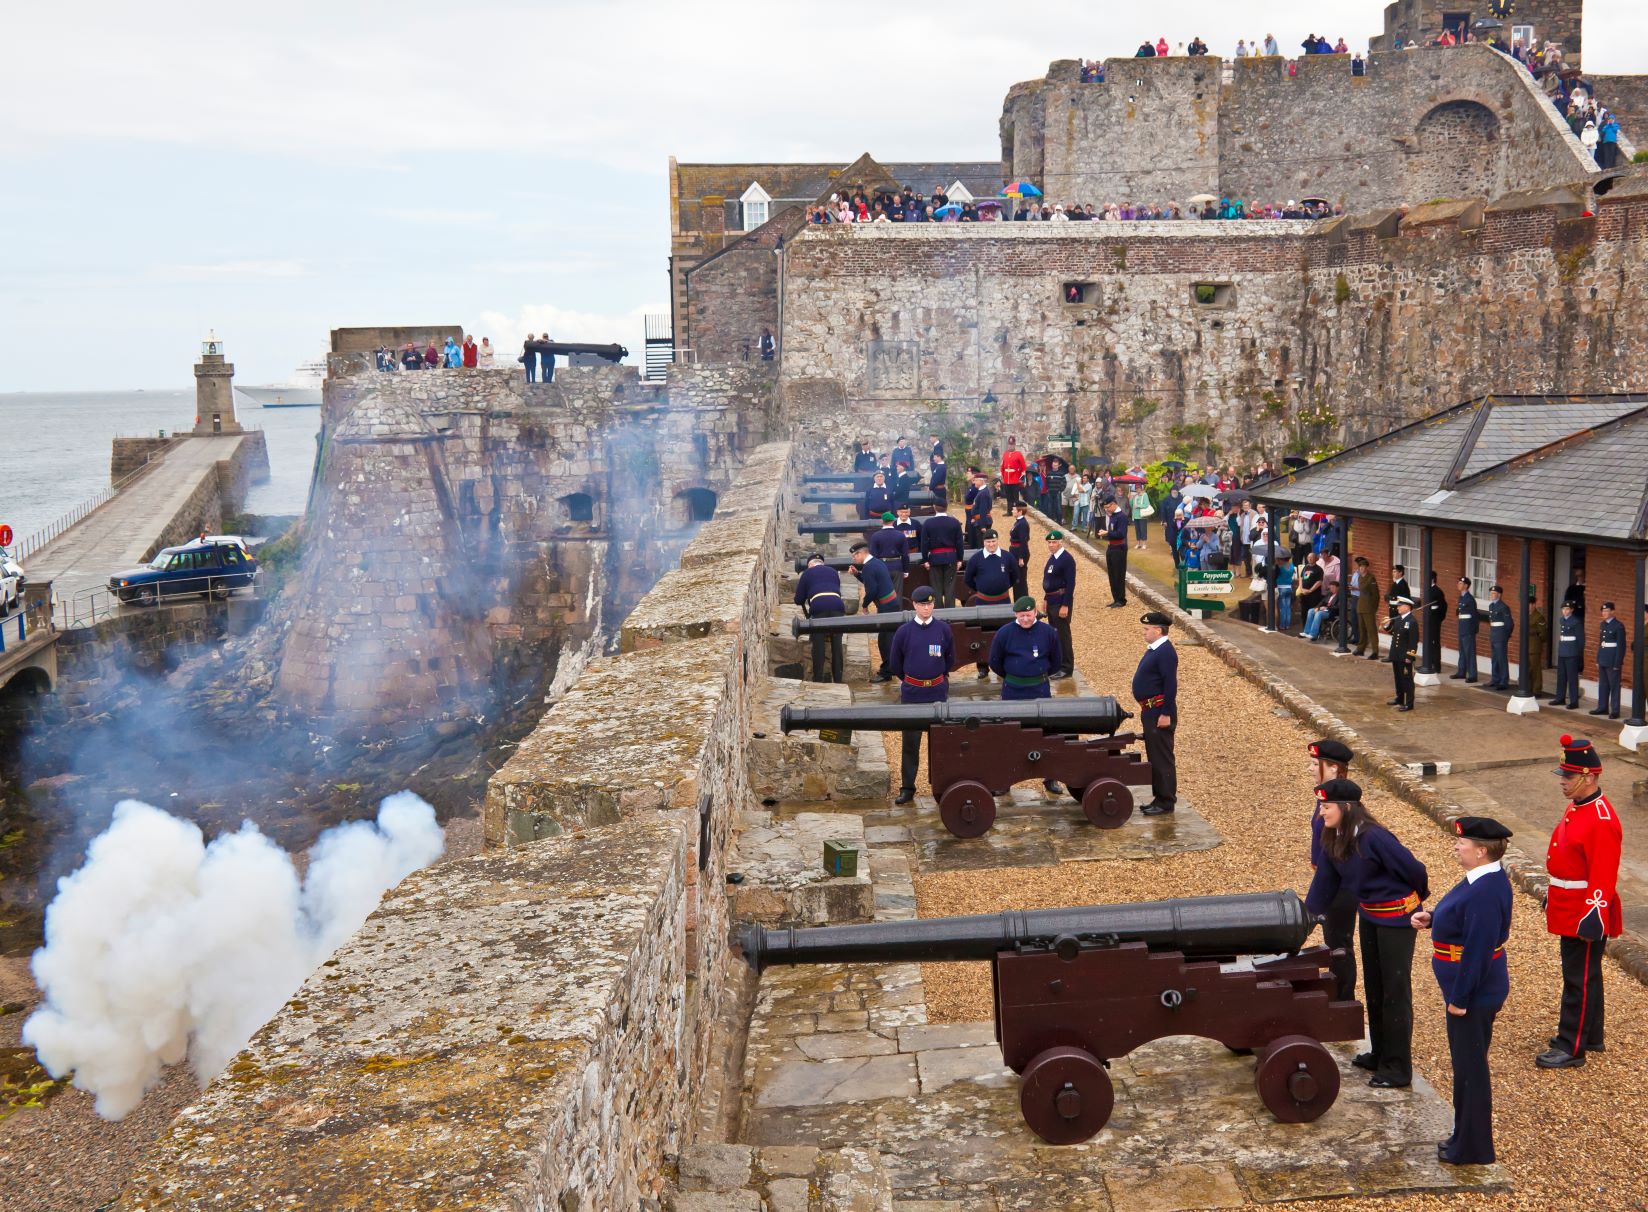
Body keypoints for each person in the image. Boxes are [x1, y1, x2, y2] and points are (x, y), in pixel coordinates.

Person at [1306, 780, 1430, 1088]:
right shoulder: (1332, 836)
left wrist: (1418, 902)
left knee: (1395, 991)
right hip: (1371, 917)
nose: (1322, 812)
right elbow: (1325, 880)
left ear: (1347, 808)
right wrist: (1307, 917)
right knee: (1374, 988)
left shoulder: (1375, 838)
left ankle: (1398, 1067)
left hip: (1397, 920)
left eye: (1327, 806)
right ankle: (1380, 1053)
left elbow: (1414, 870)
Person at [1410, 817, 1514, 1166]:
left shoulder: (1486, 888)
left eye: (1463, 843)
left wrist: (1460, 998)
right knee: (1466, 1067)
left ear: (1482, 851)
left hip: (1473, 994)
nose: (1457, 846)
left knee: (1471, 1069)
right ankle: (1463, 1136)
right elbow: (1464, 915)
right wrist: (1435, 918)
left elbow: (1479, 947)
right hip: (1467, 989)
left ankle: (1474, 1148)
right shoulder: (1482, 879)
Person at [1538, 735, 1623, 1067]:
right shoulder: (1579, 805)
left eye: (1569, 776)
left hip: (1584, 909)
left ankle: (1571, 1045)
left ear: (1589, 777)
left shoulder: (1601, 820)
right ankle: (1592, 1034)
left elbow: (1603, 874)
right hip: (1568, 902)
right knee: (1586, 973)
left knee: (1579, 978)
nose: (1562, 781)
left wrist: (1594, 915)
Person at [990, 596, 1065, 793]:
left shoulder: (1048, 632)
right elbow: (995, 661)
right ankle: (1003, 779)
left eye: (1029, 615)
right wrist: (1014, 676)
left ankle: (1050, 778)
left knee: (1046, 734)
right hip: (1013, 689)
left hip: (1039, 688)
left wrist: (1038, 674)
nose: (1025, 619)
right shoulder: (1004, 633)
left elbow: (1056, 661)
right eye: (1022, 615)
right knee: (1008, 735)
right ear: (1016, 614)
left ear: (1035, 613)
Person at [888, 586, 954, 805]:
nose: (927, 608)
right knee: (910, 744)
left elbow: (950, 659)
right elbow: (895, 663)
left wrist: (940, 678)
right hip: (913, 693)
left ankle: (942, 787)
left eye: (930, 604)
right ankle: (907, 787)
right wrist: (911, 680)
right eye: (922, 604)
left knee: (941, 744)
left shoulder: (943, 630)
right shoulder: (904, 632)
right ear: (915, 605)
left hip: (936, 691)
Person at [1307, 739, 1359, 1002]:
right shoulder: (1324, 798)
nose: (1311, 769)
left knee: (1340, 944)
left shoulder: (1341, 806)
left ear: (1334, 769)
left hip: (1340, 887)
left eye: (1316, 764)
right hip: (1328, 881)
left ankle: (1343, 998)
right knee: (1333, 942)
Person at [1134, 612, 1178, 815]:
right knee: (1155, 756)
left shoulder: (1165, 652)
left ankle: (1166, 802)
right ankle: (1159, 797)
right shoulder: (1155, 649)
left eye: (1146, 629)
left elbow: (1170, 684)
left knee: (1162, 758)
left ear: (1158, 630)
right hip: (1149, 710)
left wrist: (1166, 713)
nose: (1144, 632)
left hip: (1158, 711)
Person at [849, 542, 900, 682]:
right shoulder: (876, 562)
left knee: (884, 641)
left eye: (854, 556)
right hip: (892, 604)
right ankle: (889, 669)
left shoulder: (869, 568)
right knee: (887, 640)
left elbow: (872, 590)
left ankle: (886, 672)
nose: (854, 559)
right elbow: (870, 581)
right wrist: (856, 574)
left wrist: (864, 605)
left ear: (860, 553)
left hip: (886, 607)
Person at [794, 555, 846, 683]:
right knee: (837, 644)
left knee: (818, 644)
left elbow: (798, 599)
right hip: (837, 605)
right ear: (822, 563)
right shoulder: (833, 572)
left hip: (819, 606)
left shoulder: (807, 573)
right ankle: (838, 679)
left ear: (810, 565)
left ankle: (818, 678)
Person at [1042, 531, 1077, 678]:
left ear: (1060, 542)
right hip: (1051, 600)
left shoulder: (1066, 559)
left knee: (1063, 635)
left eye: (1054, 542)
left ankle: (1066, 667)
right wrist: (1045, 598)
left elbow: (1070, 584)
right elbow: (1049, 579)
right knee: (1054, 634)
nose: (1051, 545)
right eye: (1049, 542)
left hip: (1060, 601)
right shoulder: (1053, 558)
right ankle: (1057, 663)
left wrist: (1066, 605)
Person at [919, 506, 964, 608]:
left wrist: (925, 559)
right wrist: (960, 559)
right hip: (951, 557)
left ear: (935, 508)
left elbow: (924, 543)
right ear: (946, 507)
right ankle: (950, 610)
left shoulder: (928, 523)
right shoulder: (954, 522)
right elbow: (959, 542)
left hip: (935, 558)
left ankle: (939, 610)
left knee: (936, 587)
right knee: (950, 587)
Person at [1592, 602, 1625, 718]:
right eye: (1603, 611)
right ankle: (1602, 707)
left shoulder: (1618, 626)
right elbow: (1601, 643)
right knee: (1603, 685)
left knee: (1614, 686)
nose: (1604, 613)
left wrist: (1617, 663)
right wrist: (1598, 659)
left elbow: (1621, 646)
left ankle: (1615, 710)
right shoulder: (1603, 624)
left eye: (1606, 611)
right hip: (1603, 658)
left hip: (1612, 660)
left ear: (1612, 612)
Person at [1388, 595, 1419, 711]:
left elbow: (1413, 642)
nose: (1398, 608)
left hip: (1404, 655)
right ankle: (1400, 698)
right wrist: (1387, 626)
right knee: (1398, 678)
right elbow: (1393, 633)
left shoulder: (1412, 622)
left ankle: (1409, 703)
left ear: (1407, 607)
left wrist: (1409, 656)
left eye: (1400, 606)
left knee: (1407, 679)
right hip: (1396, 654)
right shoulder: (1399, 619)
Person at [1100, 496, 1128, 607]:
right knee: (1112, 574)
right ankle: (1115, 598)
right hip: (1111, 547)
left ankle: (1121, 599)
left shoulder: (1121, 517)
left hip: (1119, 548)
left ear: (1113, 504)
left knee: (1118, 574)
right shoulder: (1113, 516)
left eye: (1108, 507)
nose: (1107, 509)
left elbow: (1121, 534)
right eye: (1105, 507)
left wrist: (1107, 533)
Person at [1553, 600, 1582, 708]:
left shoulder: (1576, 621)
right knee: (1561, 676)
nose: (1565, 611)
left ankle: (1574, 701)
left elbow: (1580, 640)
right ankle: (1560, 698)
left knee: (1572, 678)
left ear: (1572, 610)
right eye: (1563, 609)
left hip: (1572, 652)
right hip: (1563, 651)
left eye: (1567, 609)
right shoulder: (1562, 620)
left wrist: (1578, 654)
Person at [1451, 576, 1480, 683]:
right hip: (1462, 628)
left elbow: (1474, 616)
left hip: (1468, 630)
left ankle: (1473, 675)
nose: (1458, 585)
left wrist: (1473, 630)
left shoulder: (1470, 599)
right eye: (1458, 583)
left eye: (1460, 583)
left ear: (1466, 586)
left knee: (1469, 652)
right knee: (1462, 651)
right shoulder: (1461, 598)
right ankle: (1461, 672)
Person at [868, 511, 910, 584]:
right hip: (897, 567)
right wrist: (906, 570)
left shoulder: (875, 536)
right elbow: (905, 555)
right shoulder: (901, 535)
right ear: (893, 521)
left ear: (881, 521)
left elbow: (873, 555)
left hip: (881, 567)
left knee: (884, 593)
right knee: (897, 593)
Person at [1486, 585, 1514, 690]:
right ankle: (1495, 679)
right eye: (1491, 593)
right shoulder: (1491, 606)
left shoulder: (1503, 607)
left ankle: (1504, 681)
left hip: (1501, 635)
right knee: (1494, 658)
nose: (1492, 595)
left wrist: (1505, 636)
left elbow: (1509, 624)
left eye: (1494, 594)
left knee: (1502, 658)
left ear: (1499, 594)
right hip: (1494, 634)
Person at [1352, 557, 1380, 659]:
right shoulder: (1360, 577)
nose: (1361, 568)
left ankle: (1375, 651)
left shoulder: (1371, 578)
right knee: (1362, 629)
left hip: (1368, 607)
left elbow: (1376, 595)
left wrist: (1374, 607)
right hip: (1361, 605)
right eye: (1360, 566)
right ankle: (1361, 649)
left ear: (1366, 567)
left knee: (1371, 630)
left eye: (1363, 566)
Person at [1384, 564, 1412, 660]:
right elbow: (1392, 597)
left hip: (1398, 613)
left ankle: (1395, 655)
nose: (1393, 573)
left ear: (1400, 573)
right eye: (1393, 571)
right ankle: (1393, 655)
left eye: (1395, 571)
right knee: (1394, 634)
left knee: (1398, 635)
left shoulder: (1403, 585)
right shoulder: (1395, 583)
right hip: (1393, 612)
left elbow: (1403, 601)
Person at [1424, 571, 1448, 672]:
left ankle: (1436, 666)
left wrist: (1438, 618)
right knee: (1428, 641)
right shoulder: (1428, 589)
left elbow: (1443, 606)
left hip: (1434, 620)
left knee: (1434, 642)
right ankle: (1428, 663)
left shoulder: (1437, 591)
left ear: (1432, 579)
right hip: (1428, 618)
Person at [1008, 503, 1032, 601]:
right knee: (1016, 579)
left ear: (1020, 511)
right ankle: (1018, 600)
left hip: (1019, 553)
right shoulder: (1018, 522)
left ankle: (1023, 601)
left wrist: (1021, 557)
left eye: (1014, 509)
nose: (1012, 511)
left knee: (1020, 580)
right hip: (1015, 552)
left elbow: (1023, 541)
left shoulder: (1022, 524)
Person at [1528, 589, 1548, 698]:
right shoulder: (1526, 615)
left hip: (1534, 647)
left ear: (1534, 605)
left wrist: (1536, 637)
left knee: (1535, 669)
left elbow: (1543, 634)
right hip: (1526, 646)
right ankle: (1529, 687)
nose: (1528, 607)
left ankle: (1537, 690)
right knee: (1528, 668)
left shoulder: (1539, 617)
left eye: (1530, 604)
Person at [965, 471, 993, 549]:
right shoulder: (981, 491)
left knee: (982, 545)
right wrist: (974, 518)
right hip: (979, 520)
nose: (974, 482)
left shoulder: (983, 493)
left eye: (976, 480)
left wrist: (983, 525)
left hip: (982, 522)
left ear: (981, 481)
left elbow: (983, 510)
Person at [999, 438, 1027, 508]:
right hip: (1006, 479)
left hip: (1015, 479)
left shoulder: (1018, 454)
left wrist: (1019, 476)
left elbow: (1023, 467)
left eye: (1012, 444)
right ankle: (1009, 511)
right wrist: (1003, 476)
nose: (1010, 446)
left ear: (1014, 445)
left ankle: (1016, 510)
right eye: (1009, 444)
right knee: (1008, 496)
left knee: (1015, 497)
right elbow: (1002, 466)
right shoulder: (1005, 454)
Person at [1129, 484, 1152, 548]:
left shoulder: (1145, 495)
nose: (1137, 489)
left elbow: (1146, 505)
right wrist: (1130, 499)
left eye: (1138, 488)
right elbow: (1132, 505)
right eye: (1136, 488)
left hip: (1142, 515)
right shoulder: (1135, 496)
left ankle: (1144, 543)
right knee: (1137, 529)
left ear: (1141, 488)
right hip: (1135, 515)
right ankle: (1138, 543)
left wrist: (1138, 506)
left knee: (1143, 529)